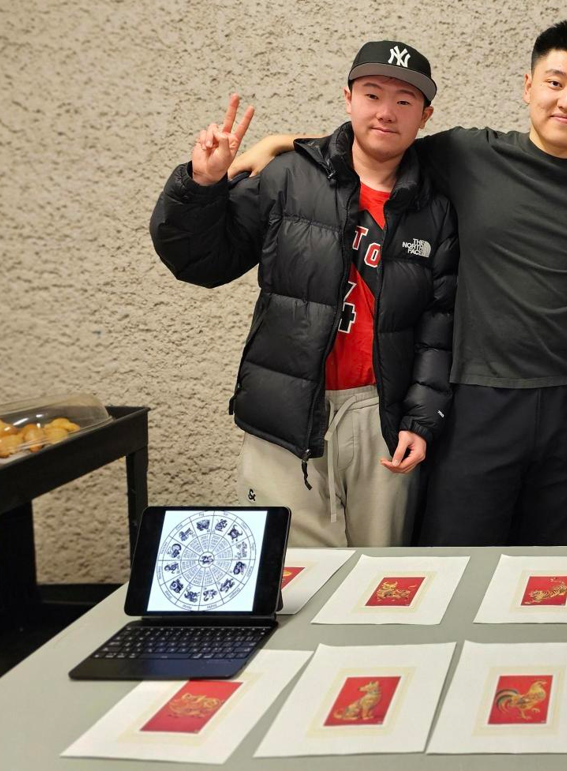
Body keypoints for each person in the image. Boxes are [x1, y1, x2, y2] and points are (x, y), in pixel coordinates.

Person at [228, 21, 567, 546]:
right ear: (528, 87)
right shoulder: (469, 154)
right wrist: (279, 142)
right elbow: (379, 140)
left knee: (556, 562)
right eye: (555, 83)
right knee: (455, 556)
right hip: (479, 400)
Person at [150, 40, 458, 547]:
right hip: (285, 412)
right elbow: (199, 261)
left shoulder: (435, 208)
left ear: (425, 116)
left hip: (378, 418)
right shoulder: (289, 177)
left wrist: (421, 419)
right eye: (372, 94)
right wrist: (203, 185)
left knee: (380, 581)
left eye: (404, 101)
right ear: (347, 98)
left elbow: (437, 327)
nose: (386, 112)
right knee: (289, 580)